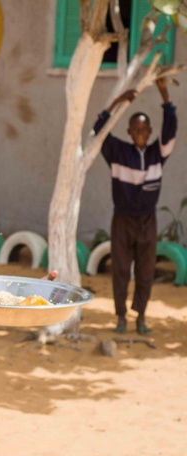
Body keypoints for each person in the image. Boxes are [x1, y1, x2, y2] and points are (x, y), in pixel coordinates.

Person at [93, 78, 177, 334]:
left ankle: (140, 316)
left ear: (150, 133)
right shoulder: (117, 152)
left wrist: (164, 93)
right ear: (129, 132)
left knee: (146, 270)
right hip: (123, 220)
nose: (141, 135)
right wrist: (119, 102)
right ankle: (120, 317)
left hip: (147, 221)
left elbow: (171, 128)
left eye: (145, 131)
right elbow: (100, 128)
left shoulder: (157, 154)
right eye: (136, 130)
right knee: (120, 270)